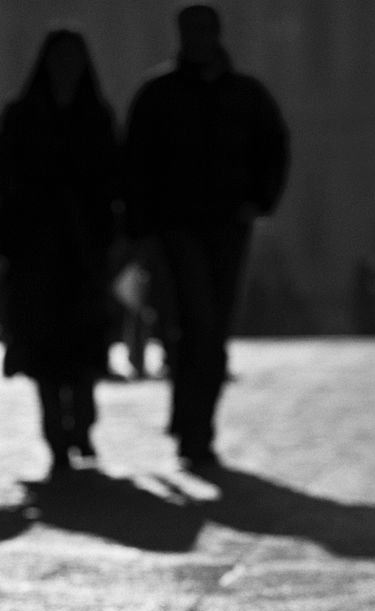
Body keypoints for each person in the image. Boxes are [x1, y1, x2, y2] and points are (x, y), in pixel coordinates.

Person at [125, 4, 289, 467]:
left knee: (210, 328)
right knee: (194, 321)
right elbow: (136, 163)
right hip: (176, 226)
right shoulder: (159, 94)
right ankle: (193, 428)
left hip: (226, 225)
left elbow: (274, 147)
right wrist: (140, 226)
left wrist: (259, 200)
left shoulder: (246, 94)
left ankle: (195, 420)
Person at [0, 30, 120, 473]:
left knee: (82, 343)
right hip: (36, 250)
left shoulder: (95, 116)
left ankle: (80, 423)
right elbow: (0, 180)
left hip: (82, 250)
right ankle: (56, 434)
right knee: (44, 348)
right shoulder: (23, 116)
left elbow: (113, 180)